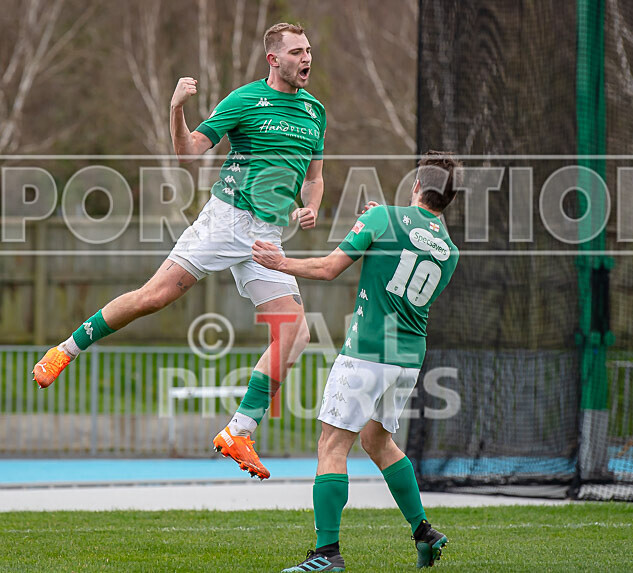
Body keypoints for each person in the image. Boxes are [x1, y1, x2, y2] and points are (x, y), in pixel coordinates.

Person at [32, 23, 326, 480]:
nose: (306, 58)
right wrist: (176, 109)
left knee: (295, 332)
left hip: (267, 236)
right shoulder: (244, 100)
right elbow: (188, 153)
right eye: (296, 52)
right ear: (273, 59)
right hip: (227, 220)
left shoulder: (314, 111)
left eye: (307, 50)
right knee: (153, 298)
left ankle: (239, 431)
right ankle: (65, 350)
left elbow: (315, 177)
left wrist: (312, 206)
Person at [252, 151, 462, 571]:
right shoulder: (450, 251)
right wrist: (381, 221)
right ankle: (424, 532)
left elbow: (330, 268)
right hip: (408, 357)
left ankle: (326, 553)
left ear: (416, 186)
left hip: (367, 351)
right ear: (448, 199)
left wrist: (280, 262)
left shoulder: (383, 218)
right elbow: (407, 252)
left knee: (332, 446)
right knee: (377, 441)